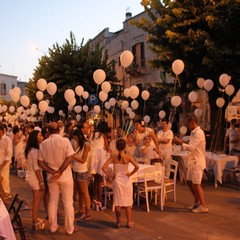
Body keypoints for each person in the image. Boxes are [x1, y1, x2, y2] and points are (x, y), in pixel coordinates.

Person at [38, 122, 77, 235]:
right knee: (68, 203)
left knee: (53, 201)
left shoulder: (44, 144)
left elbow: (40, 162)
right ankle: (70, 229)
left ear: (48, 131)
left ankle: (53, 227)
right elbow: (70, 157)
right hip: (65, 176)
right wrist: (59, 172)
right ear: (59, 130)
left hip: (52, 177)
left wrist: (52, 172)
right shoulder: (65, 141)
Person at [174, 116, 208, 213]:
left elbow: (192, 147)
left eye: (188, 124)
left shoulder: (198, 133)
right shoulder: (194, 133)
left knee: (197, 184)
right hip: (192, 161)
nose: (187, 126)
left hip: (197, 161)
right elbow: (190, 144)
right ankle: (197, 201)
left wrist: (180, 142)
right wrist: (182, 142)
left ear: (193, 122)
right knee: (189, 182)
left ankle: (203, 206)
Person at [102, 139, 139, 228]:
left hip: (117, 180)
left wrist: (110, 176)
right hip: (126, 180)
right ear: (124, 146)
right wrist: (130, 174)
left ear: (116, 147)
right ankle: (129, 222)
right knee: (127, 203)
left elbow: (103, 168)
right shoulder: (128, 157)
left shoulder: (113, 157)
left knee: (118, 202)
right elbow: (137, 167)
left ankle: (118, 222)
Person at [25, 130, 45, 230]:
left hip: (30, 176)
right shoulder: (35, 151)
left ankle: (35, 219)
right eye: (40, 135)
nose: (42, 137)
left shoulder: (31, 150)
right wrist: (41, 182)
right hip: (34, 177)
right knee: (37, 201)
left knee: (36, 200)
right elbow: (37, 168)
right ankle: (35, 220)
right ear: (35, 138)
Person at [72, 128, 91, 221]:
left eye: (76, 138)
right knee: (79, 192)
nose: (75, 140)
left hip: (82, 171)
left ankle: (88, 213)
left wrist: (73, 156)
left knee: (85, 193)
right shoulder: (79, 145)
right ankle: (81, 209)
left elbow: (83, 160)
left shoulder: (86, 145)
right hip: (76, 170)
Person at [90, 121, 110, 210]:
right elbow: (107, 148)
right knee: (100, 182)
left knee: (95, 181)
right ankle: (99, 202)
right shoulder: (103, 136)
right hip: (100, 158)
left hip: (93, 158)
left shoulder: (92, 134)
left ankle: (94, 200)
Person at [0, 124, 13, 199]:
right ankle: (4, 194)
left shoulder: (7, 139)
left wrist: (3, 164)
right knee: (3, 179)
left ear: (1, 131)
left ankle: (6, 193)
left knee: (3, 178)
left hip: (5, 162)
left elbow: (9, 154)